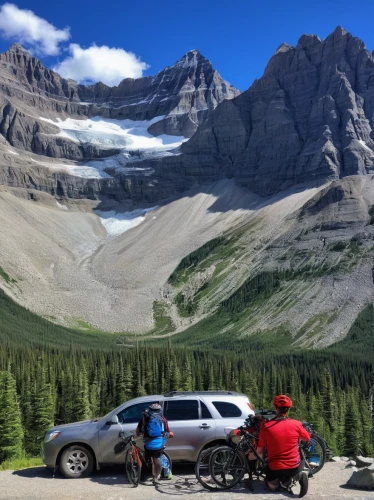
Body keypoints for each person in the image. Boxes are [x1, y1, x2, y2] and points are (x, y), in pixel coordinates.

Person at [257, 395, 311, 497]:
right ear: (288, 409)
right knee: (300, 453)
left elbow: (260, 449)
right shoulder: (296, 424)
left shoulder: (266, 426)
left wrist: (261, 462)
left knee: (271, 486)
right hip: (293, 467)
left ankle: (277, 482)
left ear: (276, 408)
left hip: (274, 468)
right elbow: (307, 438)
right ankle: (298, 475)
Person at [136, 403, 173, 485]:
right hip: (159, 443)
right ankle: (156, 477)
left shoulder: (145, 418)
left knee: (150, 459)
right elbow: (167, 432)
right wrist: (170, 434)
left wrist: (139, 434)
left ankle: (145, 475)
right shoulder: (163, 419)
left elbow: (138, 431)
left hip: (148, 443)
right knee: (157, 459)